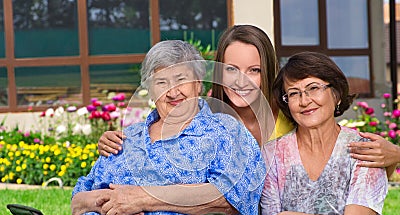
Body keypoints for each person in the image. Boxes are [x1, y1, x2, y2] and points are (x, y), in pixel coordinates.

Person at [9, 40, 266, 215]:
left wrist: (142, 198)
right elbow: (77, 203)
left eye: (181, 80)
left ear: (198, 84)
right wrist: (99, 200)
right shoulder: (126, 137)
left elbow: (228, 199)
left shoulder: (225, 132)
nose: (173, 91)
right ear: (151, 91)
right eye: (161, 82)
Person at [97, 24, 400, 175]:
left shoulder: (293, 112)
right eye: (231, 70)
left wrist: (393, 156)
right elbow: (160, 134)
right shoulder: (203, 115)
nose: (241, 81)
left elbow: (344, 154)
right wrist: (117, 141)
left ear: (268, 71)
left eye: (254, 70)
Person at [251, 51, 400, 215]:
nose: (305, 101)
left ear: (336, 94)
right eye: (294, 93)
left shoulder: (365, 148)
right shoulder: (273, 154)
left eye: (314, 88)